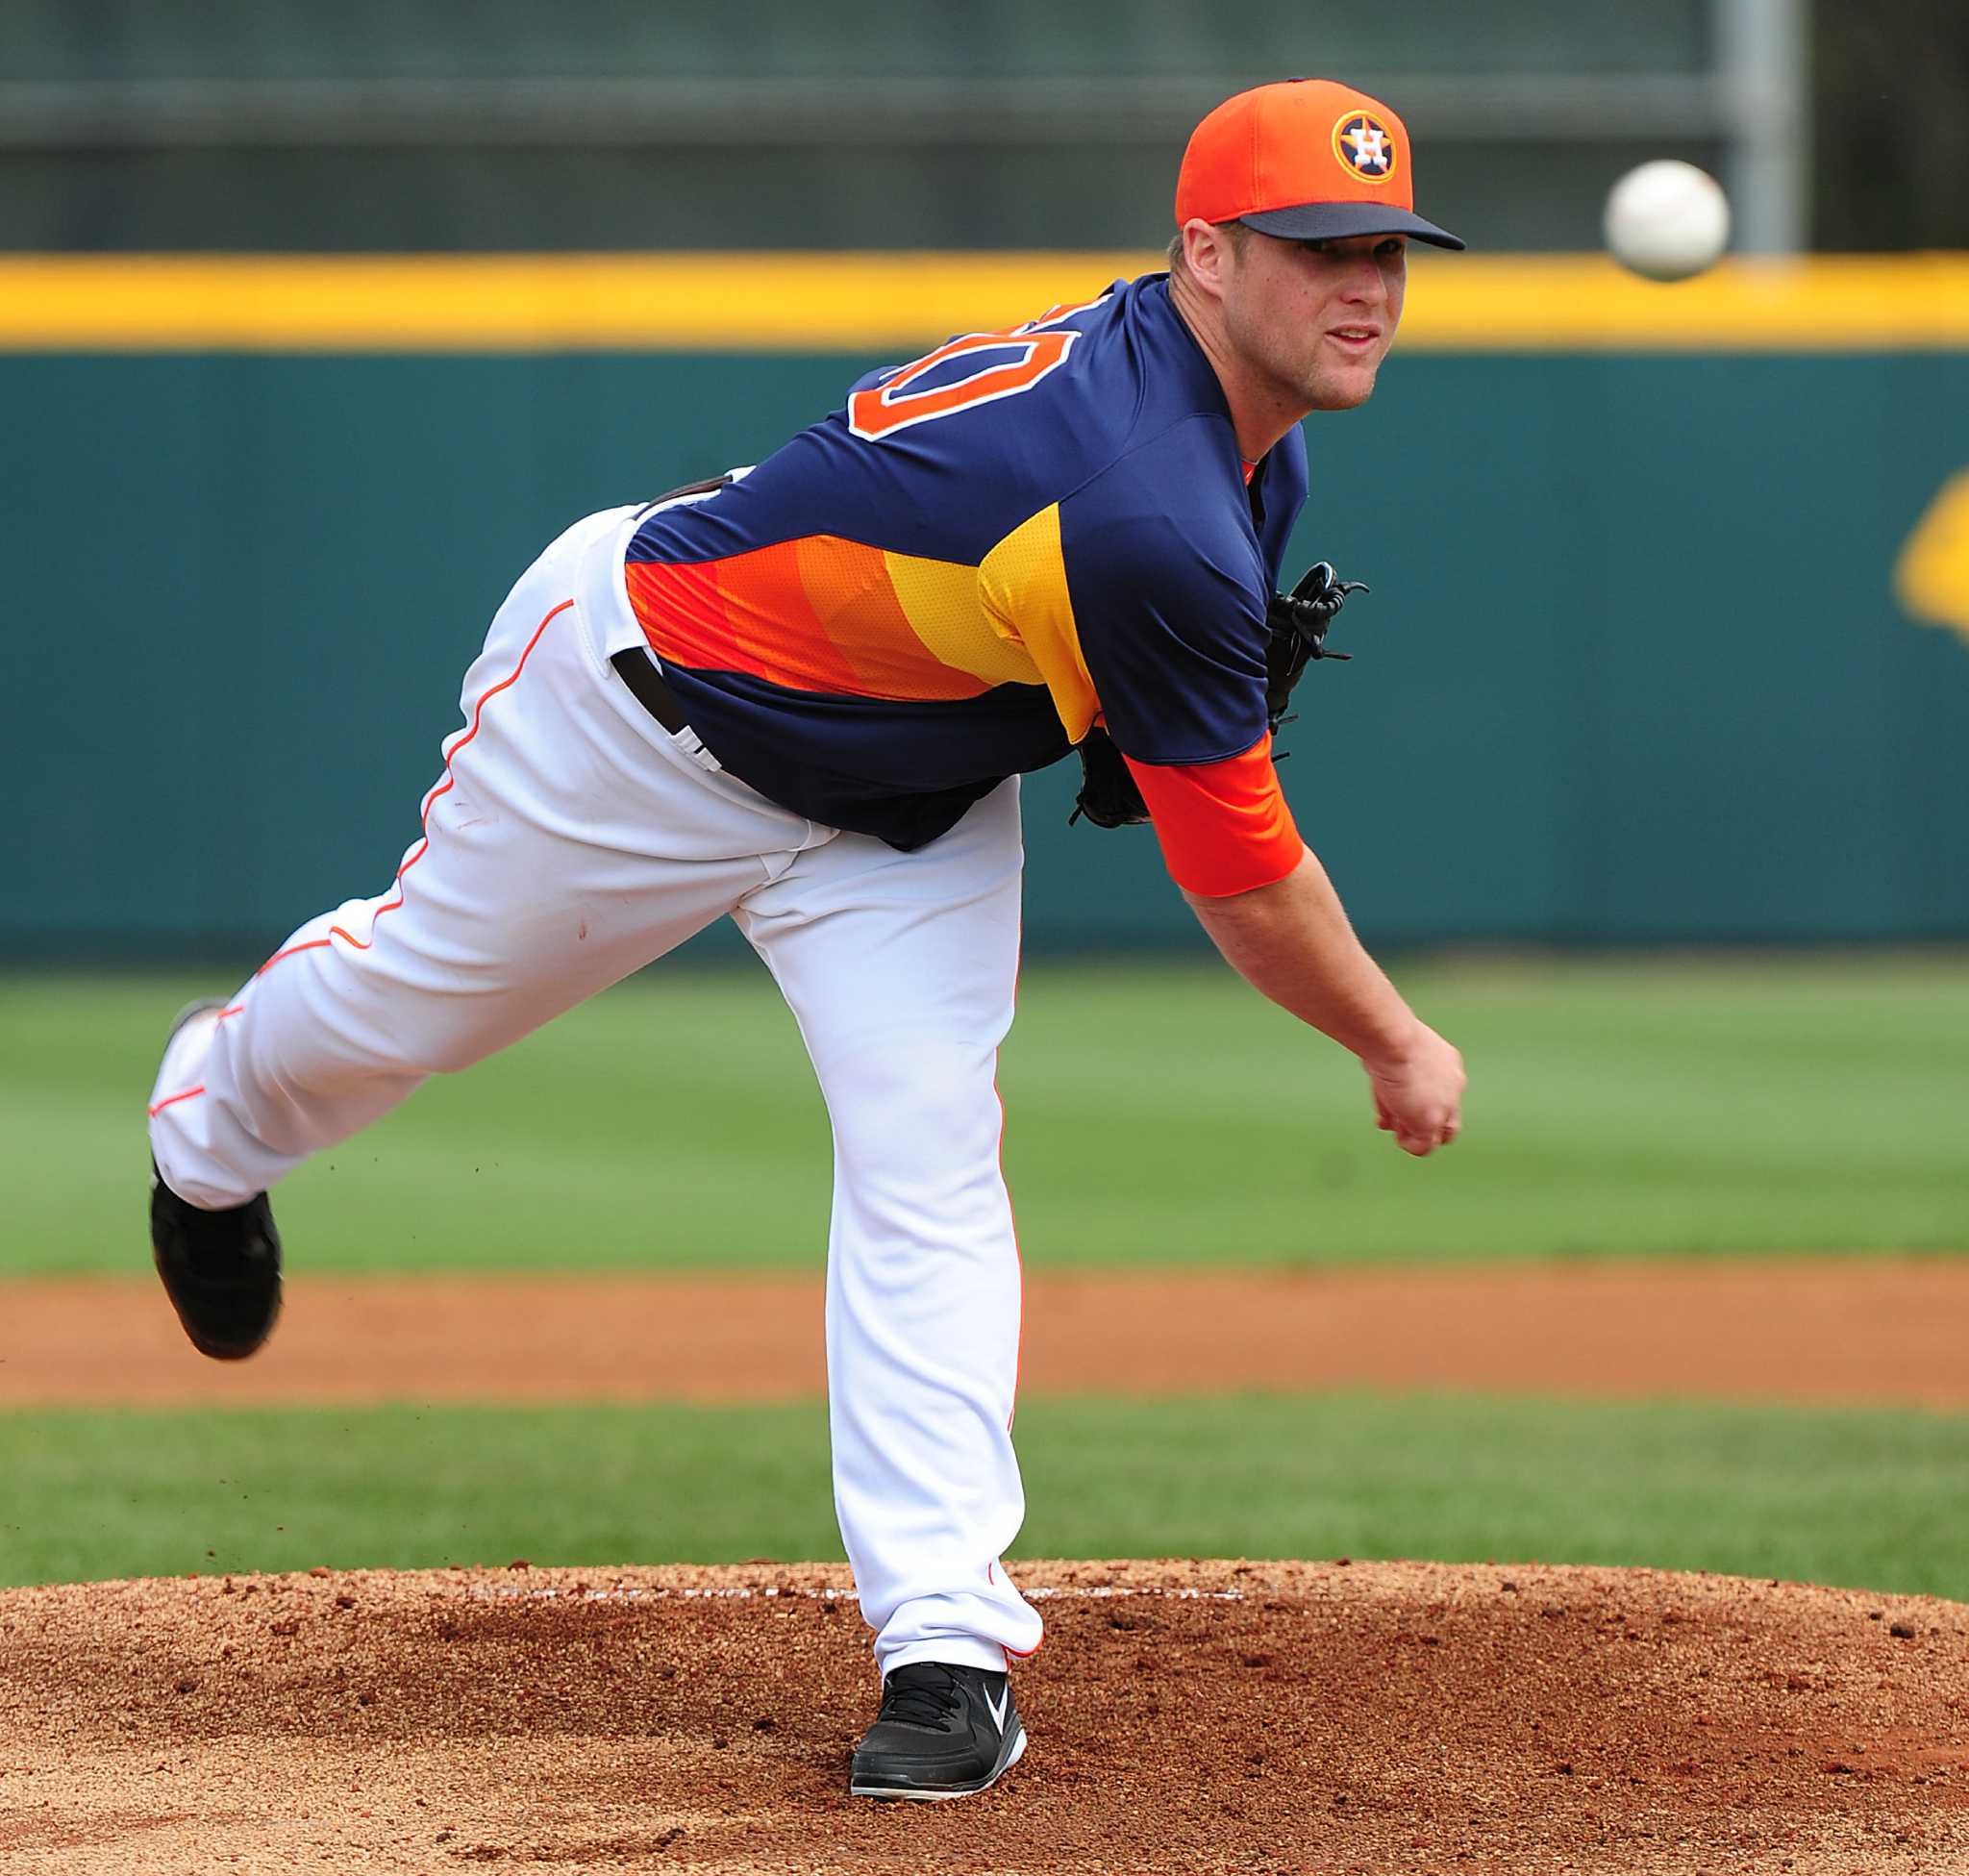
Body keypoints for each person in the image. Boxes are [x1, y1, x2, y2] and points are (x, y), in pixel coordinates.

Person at [145, 76, 1467, 1801]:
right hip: (639, 722)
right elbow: (1240, 876)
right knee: (407, 1010)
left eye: (1387, 248)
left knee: (929, 1150)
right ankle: (209, 1129)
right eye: (1317, 247)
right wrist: (1389, 1037)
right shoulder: (1150, 495)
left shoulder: (1236, 434)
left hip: (899, 804)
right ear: (1205, 255)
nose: (1363, 283)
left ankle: (943, 1644)